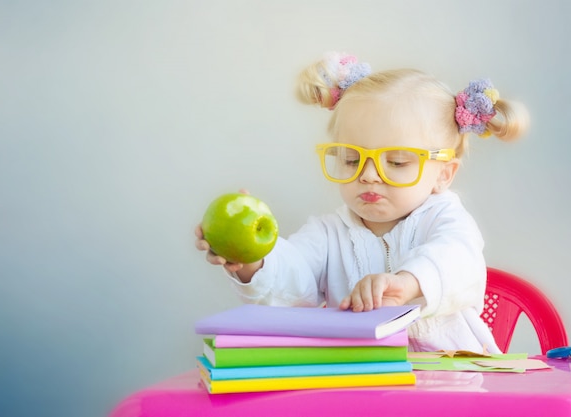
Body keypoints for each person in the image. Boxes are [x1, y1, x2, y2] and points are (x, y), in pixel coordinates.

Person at [195, 52, 529, 353]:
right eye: (352, 160)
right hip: (359, 385)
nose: (368, 175)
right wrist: (254, 259)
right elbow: (291, 283)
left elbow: (457, 259)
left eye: (396, 162)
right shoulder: (328, 233)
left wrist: (407, 282)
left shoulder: (445, 219)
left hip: (455, 385)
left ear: (444, 174)